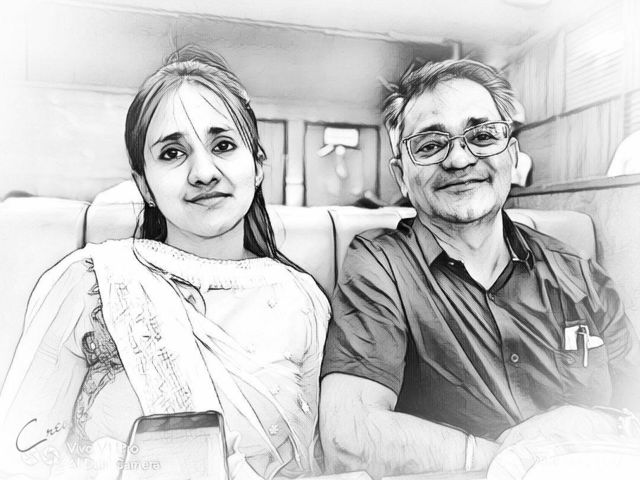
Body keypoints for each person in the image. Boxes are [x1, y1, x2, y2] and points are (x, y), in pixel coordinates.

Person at [0, 46, 329, 479]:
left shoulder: (300, 299)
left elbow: (311, 464)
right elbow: (18, 456)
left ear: (257, 166)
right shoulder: (92, 283)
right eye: (172, 153)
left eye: (223, 145)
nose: (203, 172)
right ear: (144, 184)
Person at [319, 59, 640, 478]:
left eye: (483, 136)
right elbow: (350, 440)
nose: (458, 159)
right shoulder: (381, 267)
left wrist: (599, 426)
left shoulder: (579, 273)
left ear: (512, 155)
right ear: (401, 175)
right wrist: (520, 459)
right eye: (430, 145)